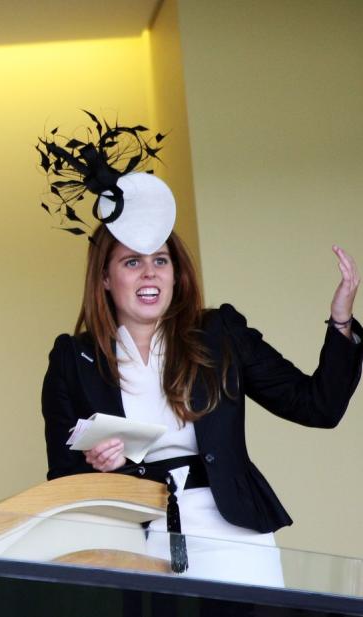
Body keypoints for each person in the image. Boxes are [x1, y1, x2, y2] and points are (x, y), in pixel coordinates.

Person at [37, 115, 363, 586]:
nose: (150, 273)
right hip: (130, 537)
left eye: (160, 261)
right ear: (106, 279)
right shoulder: (73, 358)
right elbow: (61, 477)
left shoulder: (219, 333)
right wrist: (94, 464)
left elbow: (319, 406)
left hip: (233, 534)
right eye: (132, 262)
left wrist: (341, 324)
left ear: (176, 274)